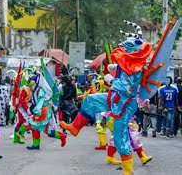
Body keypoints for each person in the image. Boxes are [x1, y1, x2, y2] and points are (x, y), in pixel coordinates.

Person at [60, 21, 152, 174]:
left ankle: (128, 171)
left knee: (119, 136)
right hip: (114, 97)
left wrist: (110, 79)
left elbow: (126, 89)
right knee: (90, 100)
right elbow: (120, 70)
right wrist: (113, 68)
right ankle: (75, 127)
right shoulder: (127, 65)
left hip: (124, 104)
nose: (121, 50)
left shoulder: (136, 69)